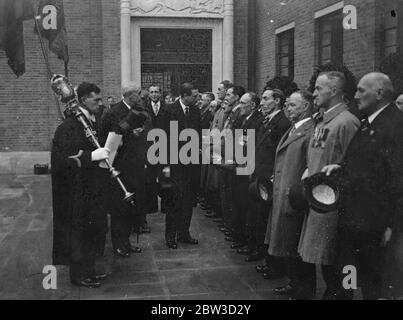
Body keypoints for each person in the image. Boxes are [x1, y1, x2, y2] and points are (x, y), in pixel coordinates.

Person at [322, 72, 403, 300]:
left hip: (375, 224)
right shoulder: (370, 121)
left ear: (379, 93)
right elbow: (364, 163)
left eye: (361, 90)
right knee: (350, 273)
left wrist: (390, 225)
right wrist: (341, 168)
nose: (355, 96)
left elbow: (397, 179)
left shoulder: (396, 125)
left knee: (373, 283)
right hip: (356, 220)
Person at [298, 71, 360, 299]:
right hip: (318, 203)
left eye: (318, 89)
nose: (314, 93)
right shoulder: (323, 121)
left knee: (338, 265)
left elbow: (354, 166)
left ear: (333, 91)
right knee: (324, 262)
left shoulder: (347, 122)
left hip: (334, 207)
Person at [51, 82, 109, 288]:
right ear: (83, 100)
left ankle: (90, 270)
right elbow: (63, 159)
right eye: (96, 100)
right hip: (77, 191)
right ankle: (78, 275)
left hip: (92, 187)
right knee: (79, 232)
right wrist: (91, 156)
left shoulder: (90, 122)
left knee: (93, 230)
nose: (100, 103)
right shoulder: (69, 126)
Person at [266, 90, 316, 299]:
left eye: (293, 105)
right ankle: (294, 283)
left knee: (296, 245)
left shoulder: (310, 129)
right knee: (288, 244)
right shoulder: (294, 128)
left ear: (305, 107)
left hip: (295, 197)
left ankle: (304, 289)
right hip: (283, 192)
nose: (288, 108)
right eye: (287, 104)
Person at [100, 83, 150, 258]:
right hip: (120, 166)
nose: (140, 96)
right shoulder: (114, 112)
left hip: (134, 165)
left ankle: (127, 242)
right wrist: (131, 134)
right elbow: (111, 137)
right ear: (130, 95)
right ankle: (118, 244)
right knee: (119, 208)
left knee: (130, 207)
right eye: (138, 94)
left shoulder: (138, 110)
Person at [248, 89, 290, 270]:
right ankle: (262, 253)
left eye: (266, 99)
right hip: (260, 174)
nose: (262, 103)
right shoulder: (267, 120)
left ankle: (270, 260)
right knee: (260, 217)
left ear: (277, 101)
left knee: (266, 219)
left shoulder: (282, 123)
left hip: (269, 178)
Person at [165, 82, 201, 249]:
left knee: (188, 200)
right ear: (185, 96)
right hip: (175, 164)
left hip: (191, 164)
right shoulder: (169, 110)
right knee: (174, 201)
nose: (197, 98)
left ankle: (184, 233)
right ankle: (170, 236)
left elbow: (199, 134)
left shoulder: (195, 110)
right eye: (194, 95)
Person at [146, 85, 169, 214]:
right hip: (150, 148)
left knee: (165, 176)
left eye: (156, 92)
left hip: (163, 147)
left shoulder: (167, 108)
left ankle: (165, 205)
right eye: (152, 92)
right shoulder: (144, 108)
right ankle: (151, 205)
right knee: (150, 177)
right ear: (149, 94)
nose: (154, 94)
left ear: (160, 94)